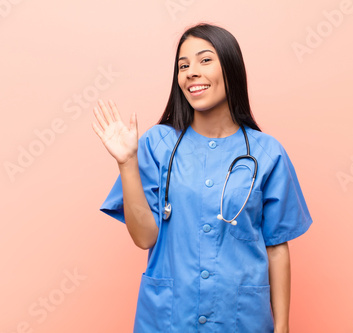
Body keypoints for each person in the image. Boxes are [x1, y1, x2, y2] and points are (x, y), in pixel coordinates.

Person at [92, 22, 313, 333]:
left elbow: (276, 248)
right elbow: (144, 238)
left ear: (231, 68)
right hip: (169, 319)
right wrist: (127, 162)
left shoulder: (267, 153)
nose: (191, 72)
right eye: (183, 66)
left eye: (205, 60)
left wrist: (283, 327)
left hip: (241, 320)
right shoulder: (157, 144)